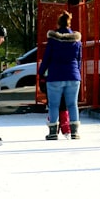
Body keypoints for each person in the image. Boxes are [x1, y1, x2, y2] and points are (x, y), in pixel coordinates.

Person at [37, 11, 82, 141]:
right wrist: (76, 72)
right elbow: (79, 60)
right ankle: (74, 132)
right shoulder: (76, 41)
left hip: (55, 77)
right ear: (69, 23)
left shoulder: (53, 40)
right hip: (73, 76)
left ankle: (53, 133)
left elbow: (46, 58)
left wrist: (41, 73)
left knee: (54, 105)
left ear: (58, 24)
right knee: (72, 104)